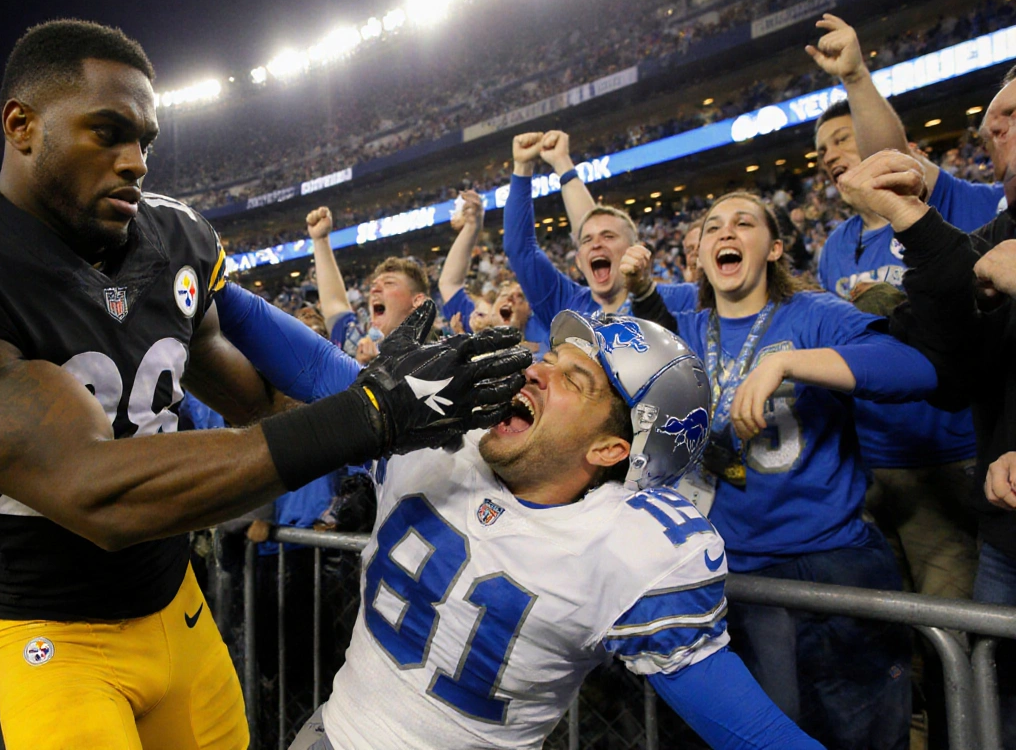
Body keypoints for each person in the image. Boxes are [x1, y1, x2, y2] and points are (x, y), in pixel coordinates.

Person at [0, 20, 527, 750]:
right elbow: (95, 490)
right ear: (22, 125)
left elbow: (262, 401)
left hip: (177, 608)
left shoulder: (172, 240)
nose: (135, 162)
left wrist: (425, 418)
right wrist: (372, 412)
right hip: (46, 634)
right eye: (108, 133)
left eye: (145, 142)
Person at [211, 280, 822, 749]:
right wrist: (209, 281)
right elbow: (321, 370)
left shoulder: (632, 545)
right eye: (548, 357)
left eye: (573, 380)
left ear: (612, 449)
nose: (535, 370)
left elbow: (758, 736)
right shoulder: (446, 434)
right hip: (333, 731)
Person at [629, 191, 941, 749]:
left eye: (743, 223)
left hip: (831, 564)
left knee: (862, 735)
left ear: (774, 248)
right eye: (713, 226)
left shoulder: (814, 315)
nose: (726, 233)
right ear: (698, 255)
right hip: (736, 576)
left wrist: (789, 361)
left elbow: (915, 367)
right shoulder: (686, 334)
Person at [807, 14, 1002, 602]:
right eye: (821, 149)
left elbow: (889, 158)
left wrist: (855, 79)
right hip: (874, 461)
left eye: (843, 138)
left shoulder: (948, 207)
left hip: (950, 454)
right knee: (902, 625)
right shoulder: (834, 246)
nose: (830, 154)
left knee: (953, 617)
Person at [839, 133, 1016, 747]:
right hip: (997, 525)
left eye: (1010, 114)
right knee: (982, 699)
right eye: (991, 126)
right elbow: (953, 366)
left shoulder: (974, 210)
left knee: (963, 660)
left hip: (950, 467)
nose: (995, 132)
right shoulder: (995, 235)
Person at [505, 131, 697, 328]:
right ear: (579, 261)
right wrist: (522, 167)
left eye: (608, 236)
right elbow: (519, 249)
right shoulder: (565, 304)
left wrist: (562, 163)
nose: (596, 244)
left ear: (636, 250)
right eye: (587, 240)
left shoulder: (681, 299)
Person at [308, 206, 430, 363]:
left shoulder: (436, 358)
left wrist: (373, 369)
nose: (374, 290)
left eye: (389, 283)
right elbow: (334, 303)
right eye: (374, 284)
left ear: (418, 303)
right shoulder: (355, 341)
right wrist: (320, 241)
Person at [438, 190, 550, 353]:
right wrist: (472, 227)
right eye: (504, 295)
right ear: (491, 311)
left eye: (520, 297)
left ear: (529, 311)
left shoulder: (544, 329)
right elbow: (449, 283)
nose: (511, 298)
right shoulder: (481, 325)